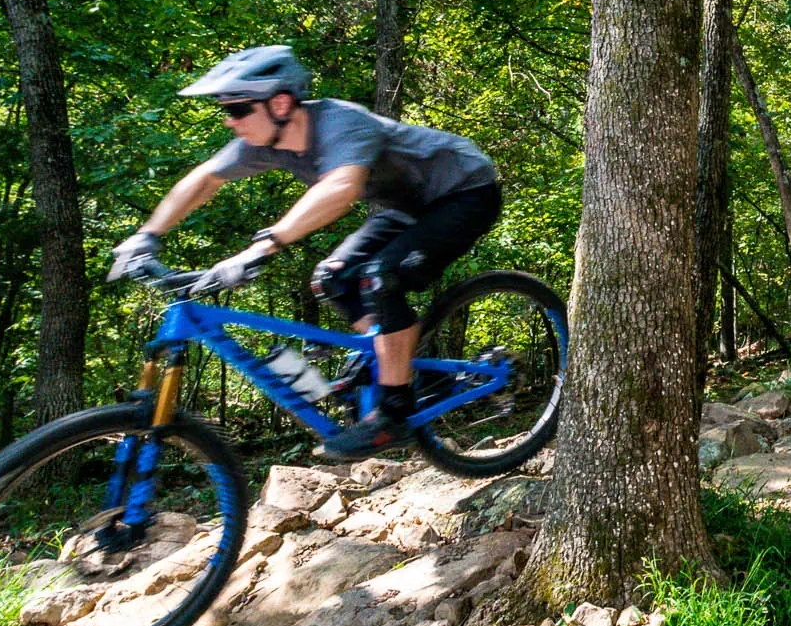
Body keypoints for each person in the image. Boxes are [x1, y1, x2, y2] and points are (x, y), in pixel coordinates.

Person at [107, 45, 502, 458]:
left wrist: (261, 248)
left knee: (381, 277)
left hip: (465, 190)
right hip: (407, 206)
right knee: (332, 278)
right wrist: (147, 234)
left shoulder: (341, 122)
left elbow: (341, 188)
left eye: (239, 110)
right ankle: (395, 368)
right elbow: (204, 179)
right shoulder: (263, 142)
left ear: (279, 103)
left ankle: (393, 413)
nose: (230, 121)